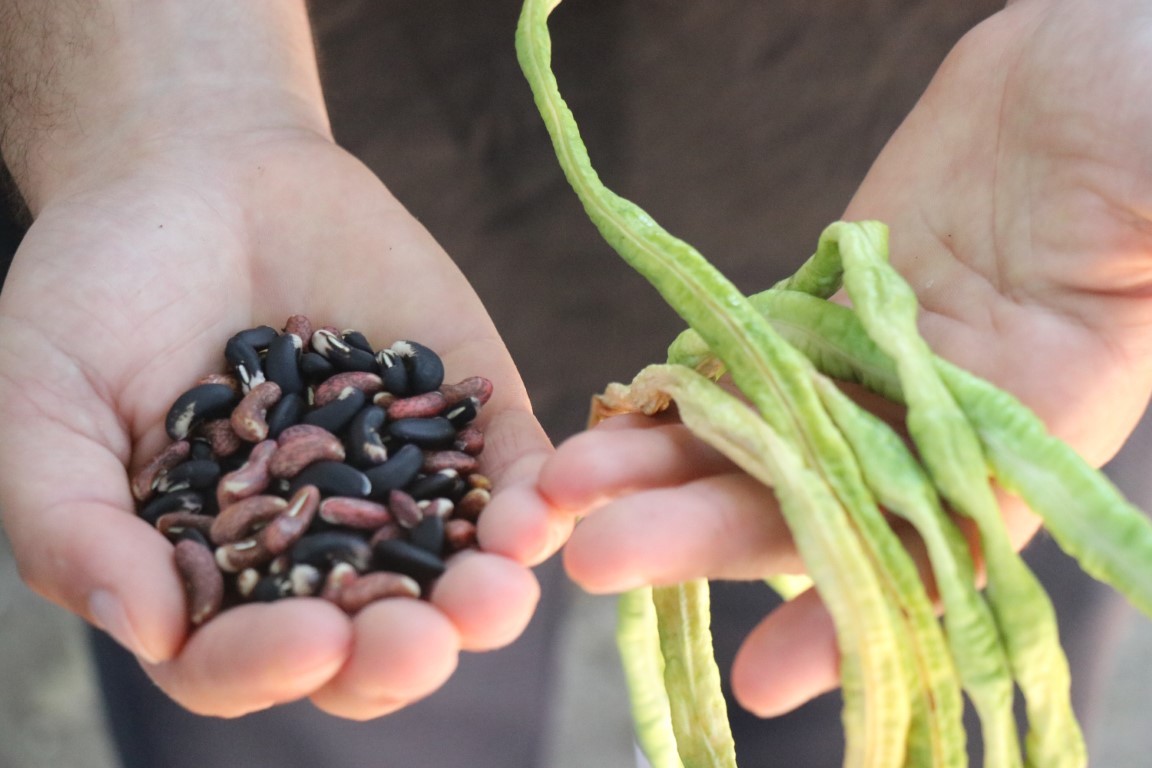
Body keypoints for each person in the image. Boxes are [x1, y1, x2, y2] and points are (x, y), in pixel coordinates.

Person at [0, 0, 1145, 765]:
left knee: (917, 664)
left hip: (994, 249)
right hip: (296, 143)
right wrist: (154, 98)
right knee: (331, 688)